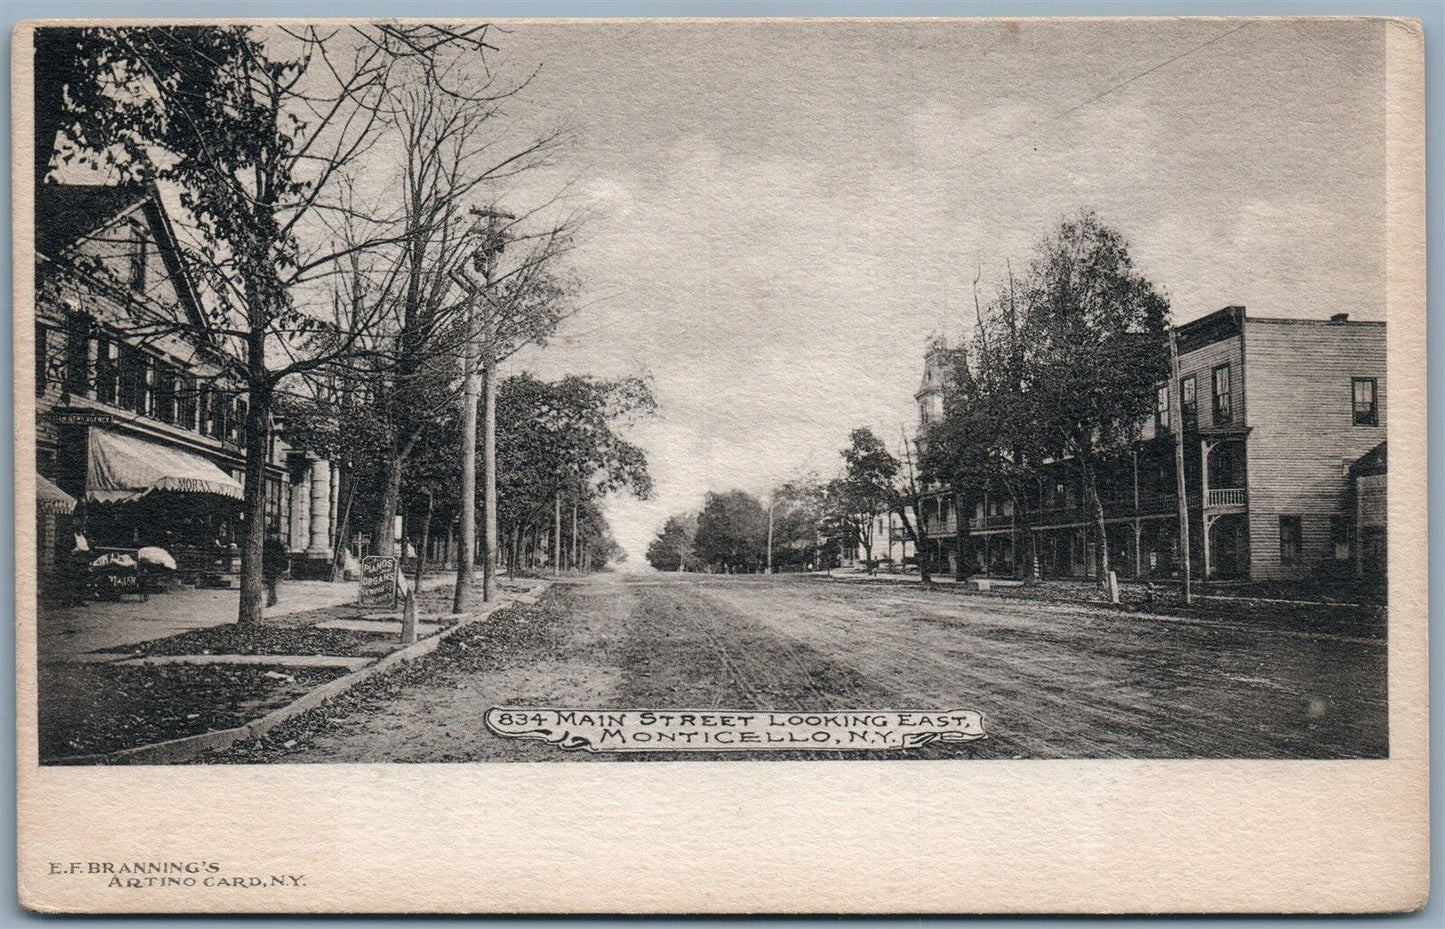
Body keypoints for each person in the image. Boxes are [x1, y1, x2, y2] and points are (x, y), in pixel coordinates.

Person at [263, 534, 288, 607]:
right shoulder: (266, 544)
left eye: (274, 535)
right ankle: (272, 599)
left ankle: (271, 599)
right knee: (271, 584)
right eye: (271, 535)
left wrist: (283, 567)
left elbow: (283, 557)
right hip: (269, 567)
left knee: (271, 584)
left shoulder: (278, 545)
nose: (273, 536)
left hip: (275, 567)